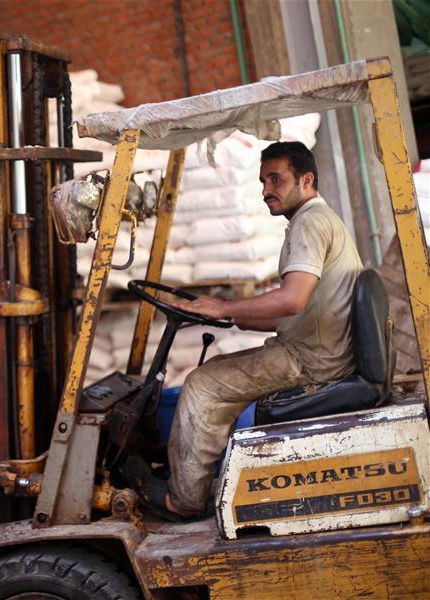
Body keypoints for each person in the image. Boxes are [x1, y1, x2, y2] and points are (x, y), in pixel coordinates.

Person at [129, 141, 363, 520]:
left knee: (203, 385)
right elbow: (293, 311)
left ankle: (184, 500)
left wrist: (223, 306)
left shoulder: (310, 223)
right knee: (218, 373)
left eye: (276, 179)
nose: (266, 190)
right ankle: (209, 479)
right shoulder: (318, 221)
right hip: (319, 349)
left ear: (306, 180)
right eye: (263, 181)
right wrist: (229, 317)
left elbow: (291, 301)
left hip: (311, 361)